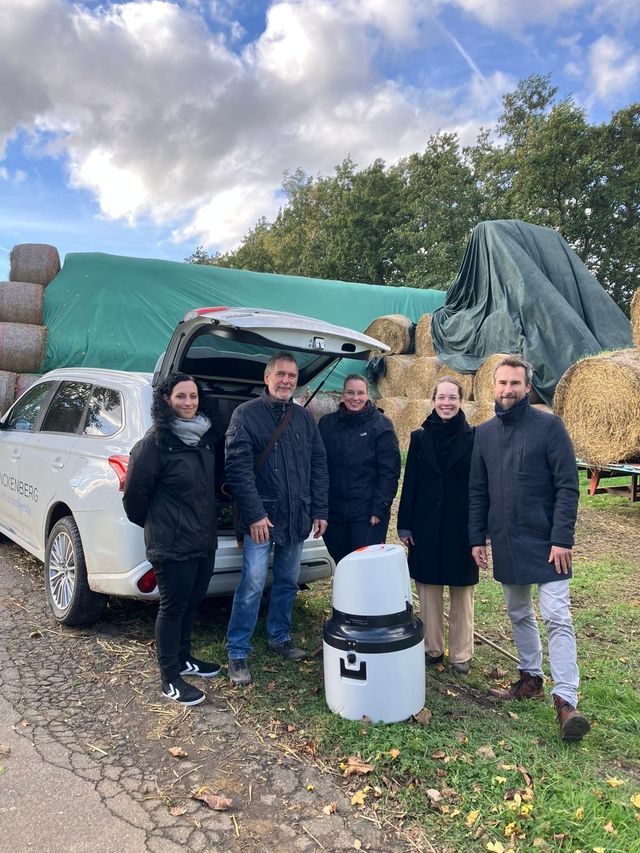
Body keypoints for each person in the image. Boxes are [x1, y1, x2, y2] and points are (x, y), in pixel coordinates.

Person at [468, 356, 590, 741]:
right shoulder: (484, 434)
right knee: (518, 612)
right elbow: (478, 491)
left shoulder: (549, 426)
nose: (508, 390)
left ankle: (566, 700)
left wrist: (562, 538)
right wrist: (477, 537)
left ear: (527, 387)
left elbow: (568, 486)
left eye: (515, 383)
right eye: (502, 383)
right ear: (493, 386)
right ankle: (530, 678)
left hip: (549, 543)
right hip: (506, 540)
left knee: (556, 616)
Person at [224, 352, 329, 686]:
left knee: (287, 580)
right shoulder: (245, 415)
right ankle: (238, 650)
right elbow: (237, 470)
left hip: (296, 516)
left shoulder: (304, 418)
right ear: (267, 377)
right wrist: (255, 514)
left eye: (291, 376)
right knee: (252, 584)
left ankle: (280, 637)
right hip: (262, 520)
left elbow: (318, 464)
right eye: (280, 374)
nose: (286, 380)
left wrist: (319, 510)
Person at [123, 373, 220, 707]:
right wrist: (161, 525)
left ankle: (184, 658)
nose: (188, 402)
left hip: (203, 540)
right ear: (167, 400)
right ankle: (170, 679)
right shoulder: (154, 444)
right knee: (173, 607)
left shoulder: (204, 438)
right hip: (172, 542)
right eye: (181, 396)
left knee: (192, 602)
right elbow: (134, 499)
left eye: (193, 396)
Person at [397, 377, 478, 675]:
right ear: (433, 401)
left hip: (461, 526)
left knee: (462, 592)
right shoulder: (419, 438)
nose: (446, 403)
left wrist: (480, 529)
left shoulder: (474, 438)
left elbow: (480, 487)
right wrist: (405, 525)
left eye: (452, 397)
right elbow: (411, 483)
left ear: (461, 401)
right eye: (441, 397)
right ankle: (432, 648)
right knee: (428, 589)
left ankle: (461, 654)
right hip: (425, 525)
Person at [318, 374, 400, 564]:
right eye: (350, 392)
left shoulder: (382, 426)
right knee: (342, 562)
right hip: (334, 511)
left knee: (365, 563)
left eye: (360, 393)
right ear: (343, 394)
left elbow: (389, 472)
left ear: (368, 395)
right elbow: (319, 467)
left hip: (367, 512)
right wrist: (320, 508)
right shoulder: (327, 424)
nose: (355, 398)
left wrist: (379, 509)